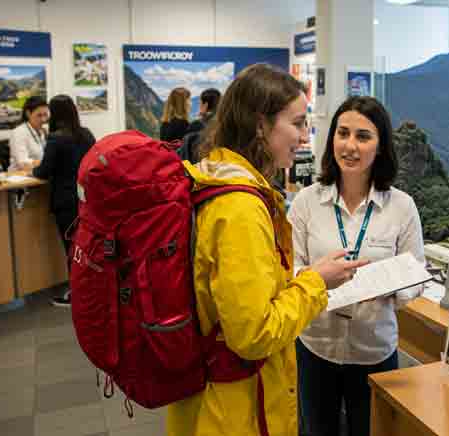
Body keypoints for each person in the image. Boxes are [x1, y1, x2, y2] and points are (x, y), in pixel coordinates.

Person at [167, 64, 367, 436]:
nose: (304, 136)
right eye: (297, 123)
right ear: (261, 125)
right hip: (238, 408)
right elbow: (255, 334)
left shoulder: (213, 177)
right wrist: (315, 283)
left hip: (214, 395)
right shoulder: (241, 210)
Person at [288, 96, 426, 436]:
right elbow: (287, 269)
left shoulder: (402, 207)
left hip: (374, 349)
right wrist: (316, 278)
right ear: (331, 137)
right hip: (315, 344)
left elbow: (416, 276)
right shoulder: (307, 202)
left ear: (380, 147)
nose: (350, 145)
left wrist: (390, 289)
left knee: (371, 430)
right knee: (316, 430)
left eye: (363, 136)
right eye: (343, 133)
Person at [32, 95, 96, 307]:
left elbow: (43, 172)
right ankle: (91, 290)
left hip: (66, 203)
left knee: (72, 249)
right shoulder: (86, 134)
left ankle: (76, 295)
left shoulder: (56, 139)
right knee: (86, 247)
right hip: (87, 199)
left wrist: (32, 170)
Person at [178, 88, 221, 163]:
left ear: (205, 105)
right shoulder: (223, 125)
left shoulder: (196, 125)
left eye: (200, 103)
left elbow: (186, 153)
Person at [10, 96, 49, 171]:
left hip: (40, 174)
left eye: (45, 115)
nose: (43, 119)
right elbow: (23, 163)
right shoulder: (19, 133)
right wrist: (47, 163)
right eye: (39, 115)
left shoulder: (45, 130)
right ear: (28, 114)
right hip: (21, 177)